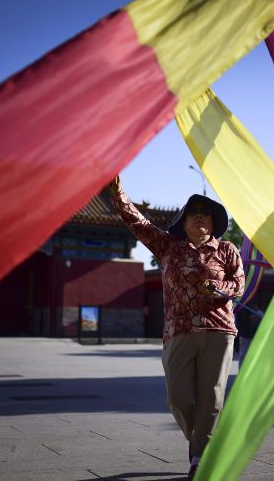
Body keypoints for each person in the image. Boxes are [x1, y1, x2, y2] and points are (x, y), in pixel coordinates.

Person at [107, 175, 244, 479]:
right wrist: (119, 195)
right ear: (183, 222)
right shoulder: (168, 246)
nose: (198, 217)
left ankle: (199, 457)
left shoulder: (227, 250)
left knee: (211, 396)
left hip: (218, 330)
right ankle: (202, 443)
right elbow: (138, 223)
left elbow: (238, 284)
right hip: (177, 331)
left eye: (204, 212)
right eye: (192, 213)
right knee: (178, 398)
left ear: (213, 220)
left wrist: (218, 288)